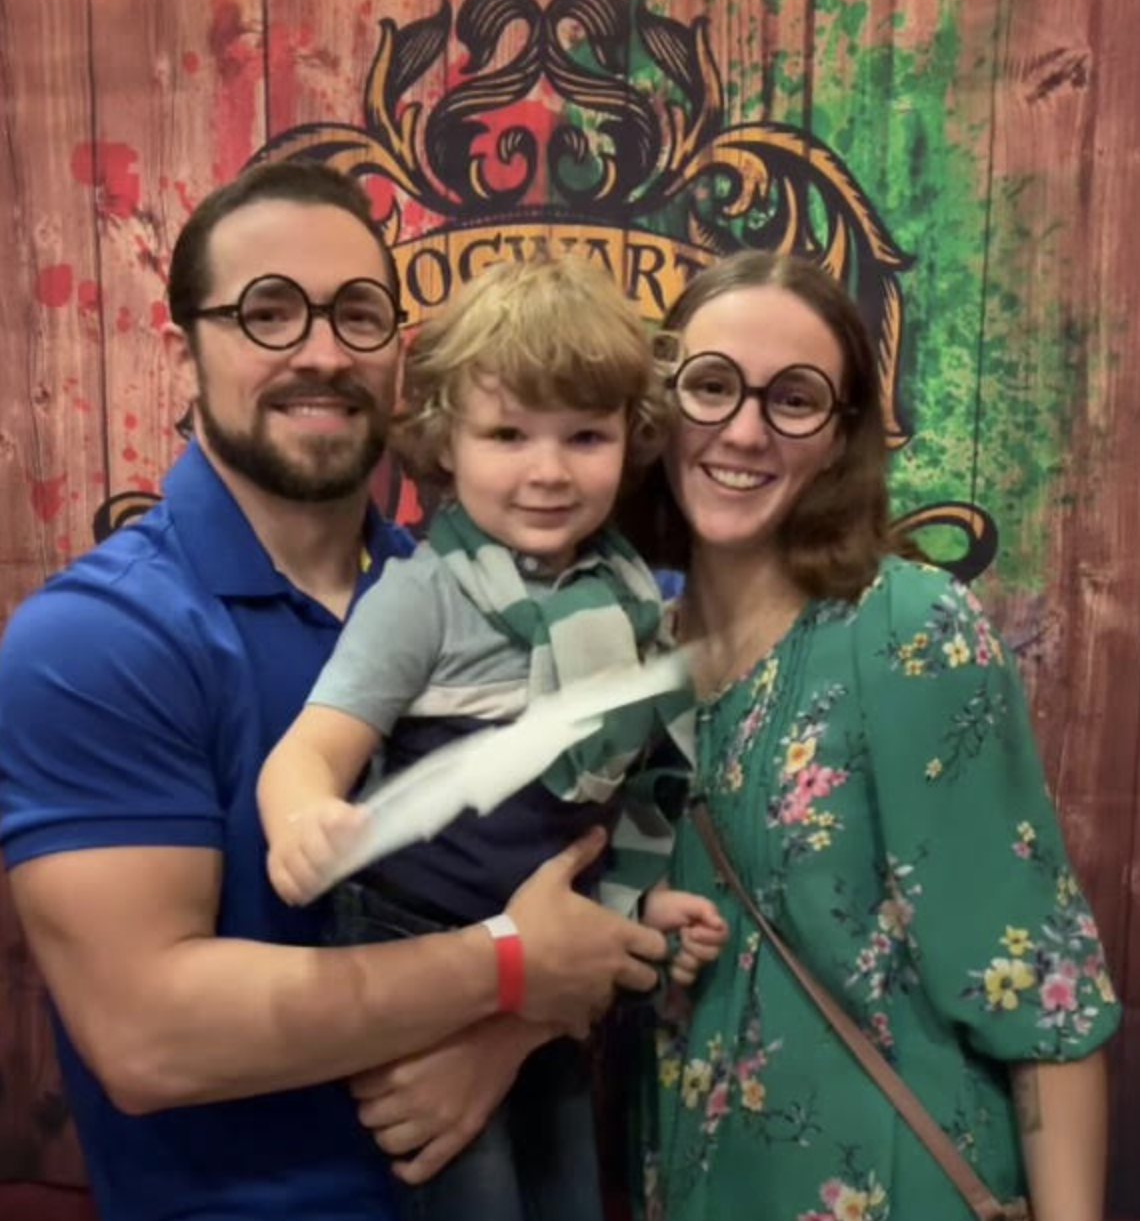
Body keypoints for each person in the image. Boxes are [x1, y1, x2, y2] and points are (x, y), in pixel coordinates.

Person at [0, 161, 673, 1221]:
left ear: (401, 358)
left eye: (357, 314)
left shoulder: (467, 589)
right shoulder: (94, 640)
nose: (321, 350)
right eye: (269, 312)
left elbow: (564, 883)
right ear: (189, 350)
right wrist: (507, 971)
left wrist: (512, 1024)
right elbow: (150, 1035)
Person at [621, 250, 1120, 1221]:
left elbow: (1041, 996)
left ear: (842, 436)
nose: (745, 429)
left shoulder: (903, 629)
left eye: (795, 399)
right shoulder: (636, 653)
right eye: (711, 385)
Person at [257, 255, 727, 1221]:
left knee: (567, 1191)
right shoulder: (424, 596)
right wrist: (303, 818)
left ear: (628, 443)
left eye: (584, 436)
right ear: (444, 441)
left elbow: (626, 791)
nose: (548, 471)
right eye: (508, 434)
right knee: (474, 1196)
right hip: (420, 949)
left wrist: (650, 898)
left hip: (549, 970)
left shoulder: (630, 598)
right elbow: (311, 747)